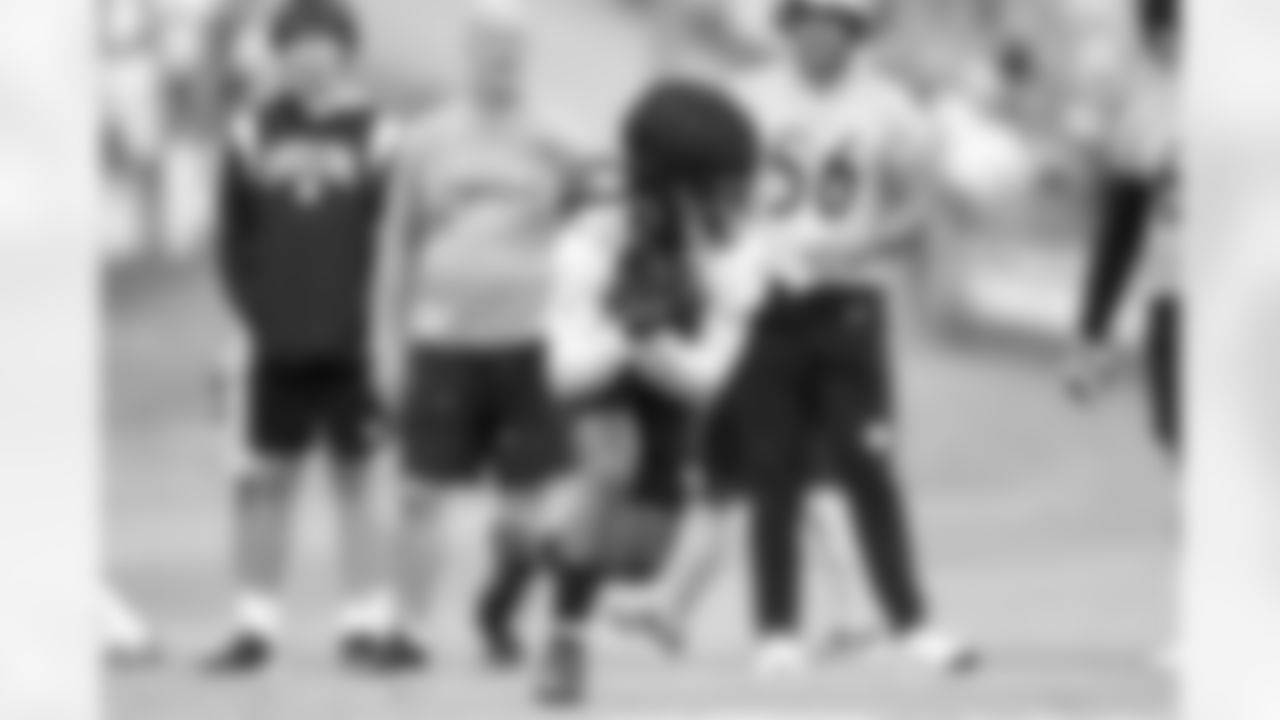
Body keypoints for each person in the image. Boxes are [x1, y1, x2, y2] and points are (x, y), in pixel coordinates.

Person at [633, 0, 975, 675]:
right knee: (773, 468)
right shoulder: (747, 98)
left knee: (867, 463)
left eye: (832, 19)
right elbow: (703, 192)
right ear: (788, 25)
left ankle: (912, 623)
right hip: (767, 301)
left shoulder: (888, 107)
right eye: (805, 17)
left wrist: (862, 245)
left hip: (850, 300)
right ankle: (777, 631)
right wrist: (737, 254)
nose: (817, 31)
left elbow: (920, 207)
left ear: (854, 30)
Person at [532, 77, 770, 705]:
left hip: (671, 385)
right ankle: (565, 641)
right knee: (614, 461)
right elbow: (566, 373)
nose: (733, 200)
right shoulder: (591, 240)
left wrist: (652, 337)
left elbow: (706, 379)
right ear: (671, 184)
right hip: (602, 383)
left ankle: (539, 543)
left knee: (641, 562)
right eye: (717, 185)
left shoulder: (739, 252)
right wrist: (625, 334)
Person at [370, 0, 588, 672]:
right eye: (489, 43)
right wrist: (386, 340)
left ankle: (498, 611)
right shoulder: (425, 139)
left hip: (531, 340)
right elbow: (397, 242)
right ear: (467, 49)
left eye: (512, 45)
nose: (501, 57)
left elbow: (589, 235)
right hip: (443, 340)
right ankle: (409, 629)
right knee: (420, 492)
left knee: (526, 505)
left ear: (529, 51)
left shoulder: (560, 139)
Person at [206, 0, 397, 673]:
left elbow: (392, 239)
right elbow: (232, 240)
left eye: (322, 43)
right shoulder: (251, 131)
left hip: (354, 343)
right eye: (295, 44)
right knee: (267, 482)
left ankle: (366, 624)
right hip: (274, 344)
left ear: (345, 52)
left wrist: (378, 324)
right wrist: (257, 316)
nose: (309, 56)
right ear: (279, 53)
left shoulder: (377, 134)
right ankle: (254, 626)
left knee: (358, 480)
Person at [1068, 0, 1179, 457]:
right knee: (1178, 440)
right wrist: (1092, 333)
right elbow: (1121, 230)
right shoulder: (1135, 91)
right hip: (1176, 294)